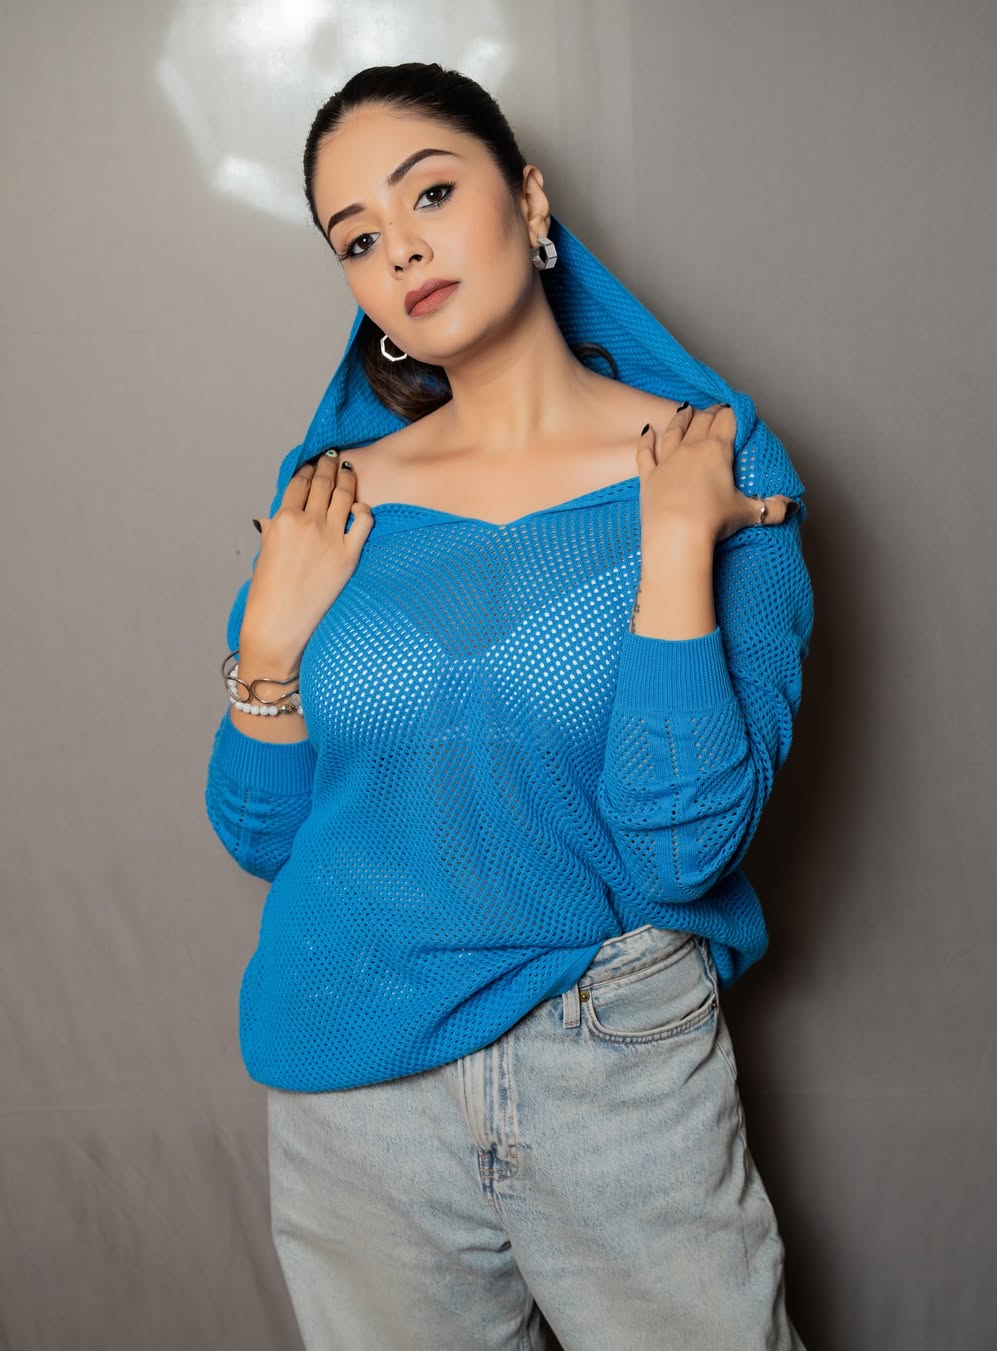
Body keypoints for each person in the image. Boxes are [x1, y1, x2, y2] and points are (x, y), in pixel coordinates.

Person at [205, 60, 812, 1351]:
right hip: (351, 1074)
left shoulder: (713, 465)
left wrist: (673, 549)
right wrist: (268, 640)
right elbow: (263, 835)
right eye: (357, 239)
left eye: (429, 193)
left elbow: (685, 847)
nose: (400, 249)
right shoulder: (330, 496)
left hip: (617, 1064)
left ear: (530, 201)